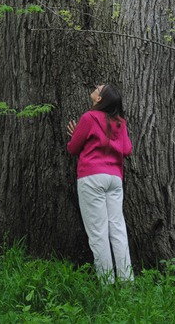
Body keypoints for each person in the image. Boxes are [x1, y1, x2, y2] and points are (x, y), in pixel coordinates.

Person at [67, 83, 134, 284]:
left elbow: (73, 148)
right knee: (118, 230)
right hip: (114, 179)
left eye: (98, 89)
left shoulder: (89, 118)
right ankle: (126, 281)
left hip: (92, 178)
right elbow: (127, 150)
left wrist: (75, 135)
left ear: (99, 99)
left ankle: (107, 285)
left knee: (98, 233)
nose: (95, 88)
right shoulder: (120, 122)